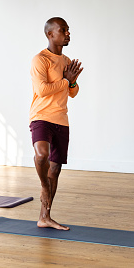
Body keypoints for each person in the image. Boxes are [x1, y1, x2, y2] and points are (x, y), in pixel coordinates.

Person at [29, 17, 83, 230]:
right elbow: (42, 90)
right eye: (63, 30)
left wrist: (72, 81)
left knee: (55, 169)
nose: (68, 33)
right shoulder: (40, 59)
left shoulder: (67, 61)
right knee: (41, 155)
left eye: (68, 30)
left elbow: (73, 92)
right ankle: (43, 187)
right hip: (41, 115)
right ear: (50, 34)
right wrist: (65, 80)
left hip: (61, 118)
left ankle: (45, 217)